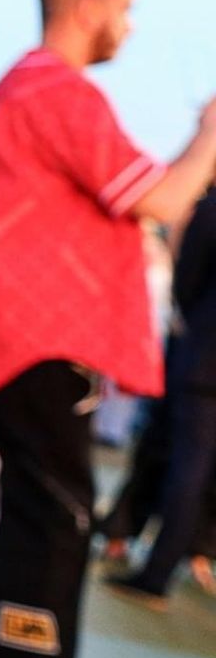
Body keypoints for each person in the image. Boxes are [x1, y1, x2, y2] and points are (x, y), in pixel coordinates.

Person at [0, 0, 216, 658]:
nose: (128, 27)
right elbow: (158, 198)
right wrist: (211, 135)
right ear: (89, 8)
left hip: (8, 348)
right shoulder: (60, 92)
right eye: (125, 9)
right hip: (44, 351)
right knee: (46, 532)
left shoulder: (15, 88)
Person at [101, 185, 216, 605]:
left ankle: (157, 570)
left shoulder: (210, 206)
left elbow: (188, 278)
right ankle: (180, 551)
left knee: (184, 465)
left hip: (203, 356)